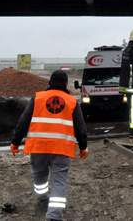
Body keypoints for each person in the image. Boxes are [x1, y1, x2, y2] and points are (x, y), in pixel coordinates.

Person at [10, 70, 88, 221]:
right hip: (62, 148)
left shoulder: (38, 98)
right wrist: (83, 147)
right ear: (66, 84)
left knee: (39, 174)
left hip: (38, 147)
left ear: (50, 82)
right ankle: (54, 216)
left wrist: (15, 142)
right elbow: (80, 127)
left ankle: (42, 197)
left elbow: (23, 121)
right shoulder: (71, 101)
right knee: (59, 181)